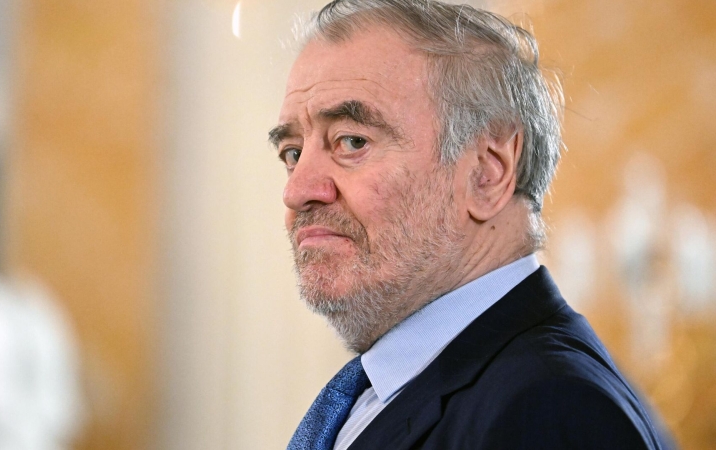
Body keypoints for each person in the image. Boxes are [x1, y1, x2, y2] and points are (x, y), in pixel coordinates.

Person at [269, 1, 669, 449]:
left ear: (487, 173)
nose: (297, 191)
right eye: (292, 153)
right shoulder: (388, 391)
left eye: (352, 141)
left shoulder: (551, 409)